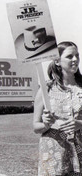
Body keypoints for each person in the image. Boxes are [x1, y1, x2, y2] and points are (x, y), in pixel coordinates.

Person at [33, 41, 82, 175]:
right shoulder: (45, 89)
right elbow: (36, 127)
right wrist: (46, 124)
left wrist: (79, 124)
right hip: (52, 157)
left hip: (79, 155)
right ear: (57, 61)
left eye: (77, 55)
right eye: (70, 56)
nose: (75, 59)